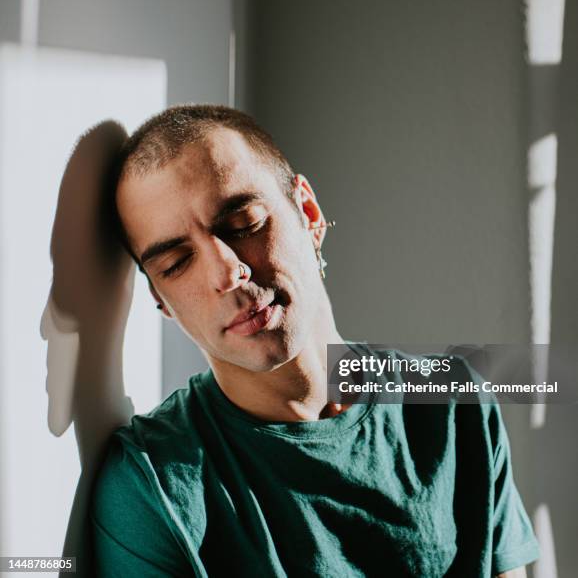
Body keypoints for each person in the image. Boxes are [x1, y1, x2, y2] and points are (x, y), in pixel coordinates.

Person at [90, 105, 540, 577]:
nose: (227, 274)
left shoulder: (452, 399)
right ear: (162, 300)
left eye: (244, 224)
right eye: (177, 263)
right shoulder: (152, 487)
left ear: (308, 213)